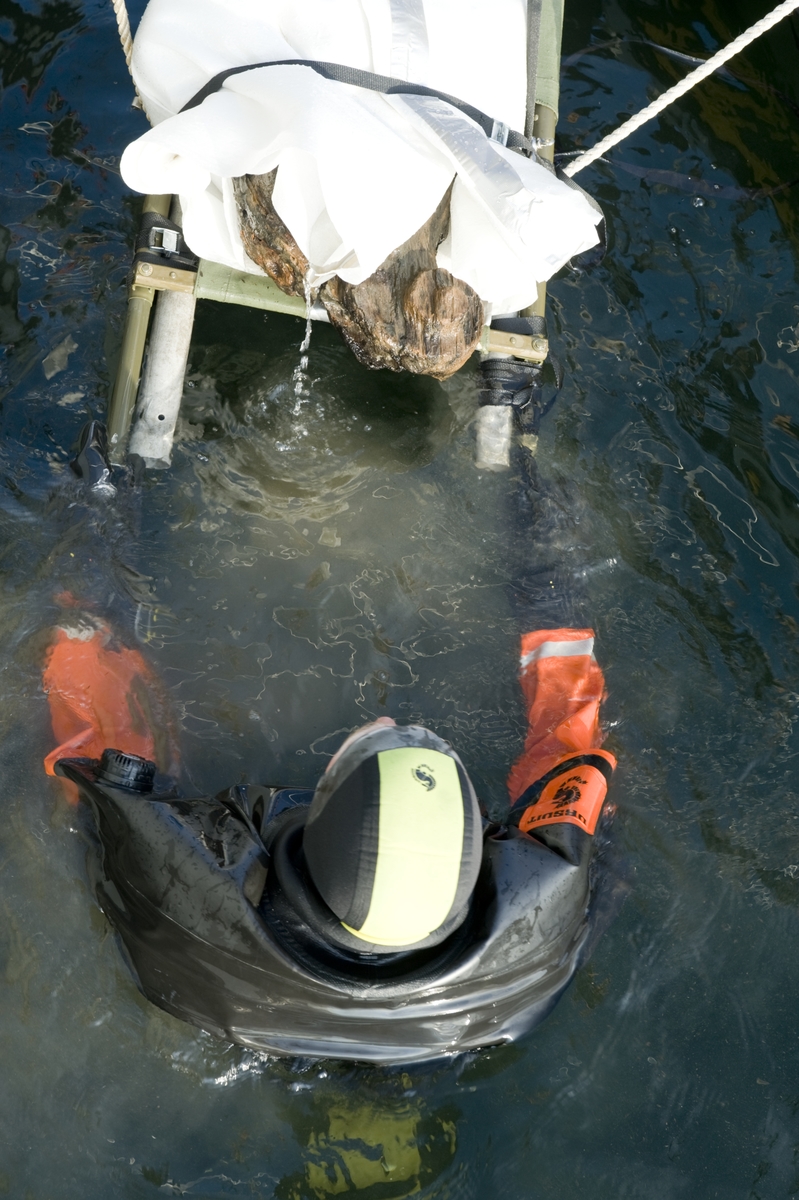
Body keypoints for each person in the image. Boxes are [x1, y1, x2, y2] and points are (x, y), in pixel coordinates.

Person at [43, 423, 618, 1064]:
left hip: (237, 1011)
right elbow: (571, 754)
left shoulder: (189, 891)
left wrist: (90, 560)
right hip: (452, 1036)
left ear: (316, 812)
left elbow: (96, 773)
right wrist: (550, 588)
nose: (390, 718)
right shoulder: (543, 906)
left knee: (105, 772)